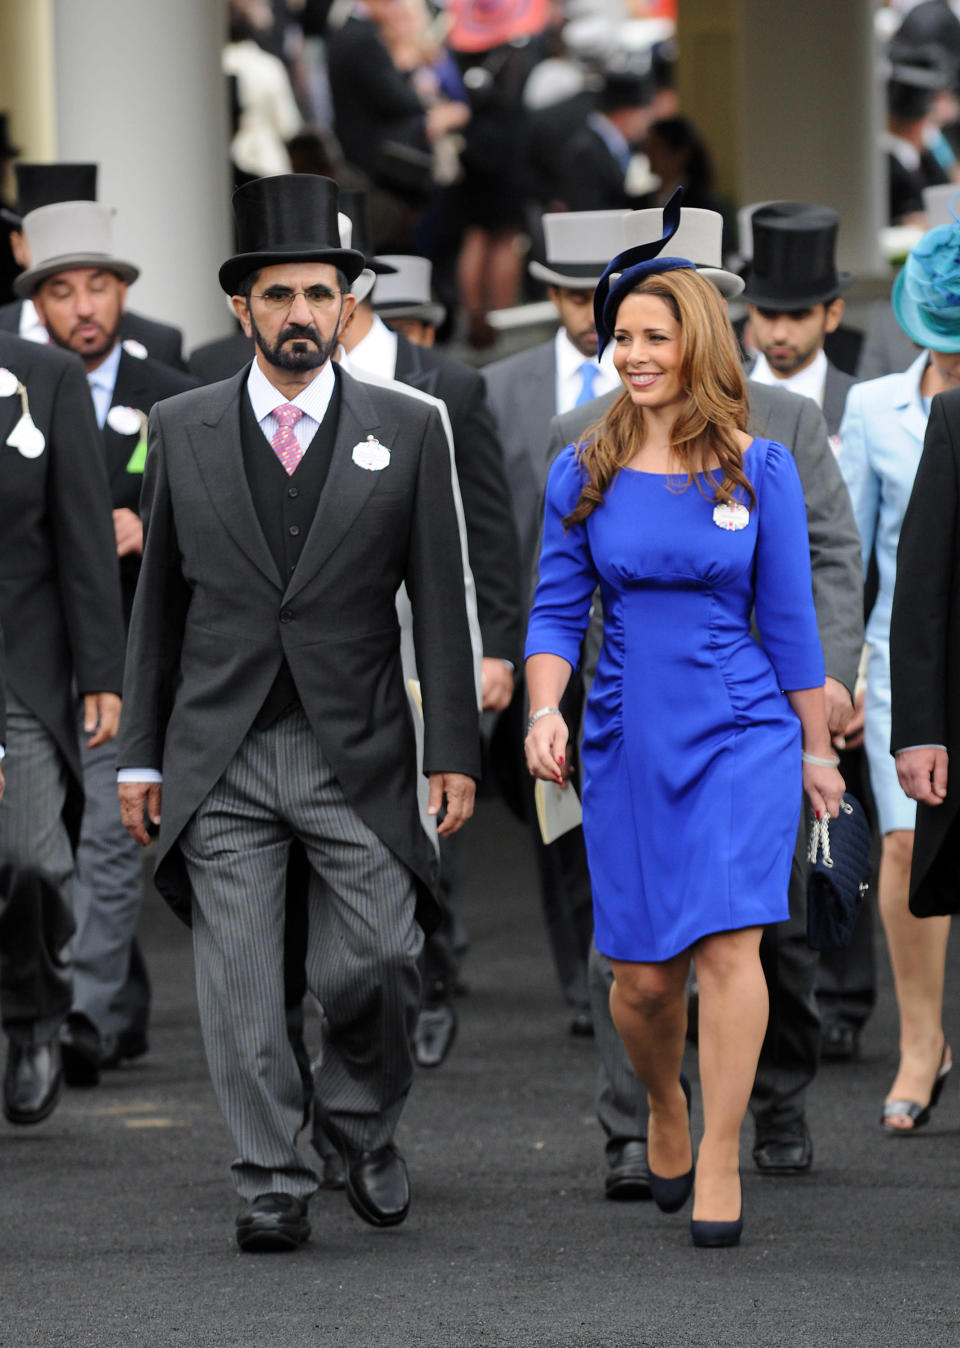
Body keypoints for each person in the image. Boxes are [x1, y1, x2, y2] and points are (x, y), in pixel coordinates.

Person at [115, 173, 480, 1253]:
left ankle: (358, 1125)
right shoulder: (180, 427)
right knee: (234, 985)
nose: (300, 315)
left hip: (357, 749)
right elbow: (157, 609)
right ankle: (269, 1174)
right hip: (219, 750)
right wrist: (141, 754)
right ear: (243, 308)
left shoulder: (411, 431)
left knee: (373, 961)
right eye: (278, 296)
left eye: (320, 294)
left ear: (350, 305)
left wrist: (452, 745)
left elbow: (441, 601)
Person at [525, 196, 844, 1247]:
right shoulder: (583, 465)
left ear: (698, 340)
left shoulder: (763, 466)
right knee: (644, 980)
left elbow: (791, 620)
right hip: (624, 731)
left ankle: (718, 1149)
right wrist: (541, 708)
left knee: (730, 949)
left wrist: (812, 745)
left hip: (744, 726)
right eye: (623, 337)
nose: (634, 353)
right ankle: (664, 1099)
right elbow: (556, 609)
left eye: (654, 336)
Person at [16, 198, 197, 1085]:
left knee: (112, 840)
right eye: (63, 291)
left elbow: (208, 512)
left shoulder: (170, 391)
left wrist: (146, 520)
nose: (84, 307)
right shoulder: (15, 387)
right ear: (36, 302)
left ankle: (83, 1016)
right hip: (34, 648)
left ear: (123, 293)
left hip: (136, 645)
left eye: (100, 287)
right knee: (42, 848)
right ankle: (80, 1000)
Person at [339, 199, 522, 1066]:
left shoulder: (449, 385)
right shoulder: (258, 379)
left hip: (423, 638)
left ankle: (430, 973)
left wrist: (493, 647)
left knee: (425, 816)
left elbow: (484, 527)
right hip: (325, 651)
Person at [483, 209, 632, 1040]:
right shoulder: (500, 389)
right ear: (550, 294)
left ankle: (618, 969)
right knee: (555, 810)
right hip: (538, 636)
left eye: (598, 294)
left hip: (628, 636)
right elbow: (493, 523)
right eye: (573, 294)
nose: (587, 311)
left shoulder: (657, 382)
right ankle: (582, 975)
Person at [838, 217, 960, 1131]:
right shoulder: (875, 407)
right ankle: (922, 1038)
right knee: (906, 843)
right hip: (901, 660)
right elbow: (847, 554)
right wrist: (842, 673)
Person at [0, 330, 126, 1127]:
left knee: (32, 859)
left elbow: (84, 532)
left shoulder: (44, 376)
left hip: (24, 661)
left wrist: (103, 671)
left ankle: (33, 1013)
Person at [0, 162, 186, 369]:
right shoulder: (5, 332)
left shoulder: (158, 343)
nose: (65, 250)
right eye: (46, 234)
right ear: (17, 245)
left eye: (78, 232)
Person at [742, 203, 857, 440]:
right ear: (750, 311)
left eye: (799, 315)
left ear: (833, 315)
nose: (780, 333)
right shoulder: (715, 398)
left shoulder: (863, 405)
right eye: (767, 313)